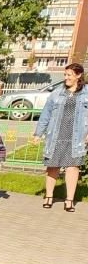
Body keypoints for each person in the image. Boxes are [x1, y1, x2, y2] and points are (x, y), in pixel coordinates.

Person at [33, 62, 87, 213]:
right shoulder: (57, 92)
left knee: (73, 168)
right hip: (56, 135)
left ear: (78, 75)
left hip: (76, 137)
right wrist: (38, 133)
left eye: (69, 75)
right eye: (65, 74)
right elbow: (46, 113)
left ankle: (69, 200)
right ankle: (49, 196)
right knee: (53, 167)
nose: (66, 77)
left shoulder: (86, 93)